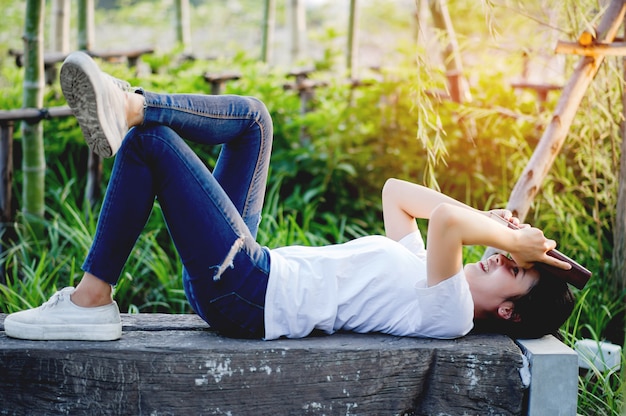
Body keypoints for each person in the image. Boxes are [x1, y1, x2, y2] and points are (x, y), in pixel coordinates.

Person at [3, 51, 574, 342]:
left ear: (509, 308)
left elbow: (449, 220)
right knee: (254, 118)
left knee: (151, 148)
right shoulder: (426, 270)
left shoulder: (451, 312)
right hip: (252, 270)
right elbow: (396, 194)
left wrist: (512, 235)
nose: (507, 257)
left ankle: (90, 302)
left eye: (519, 270)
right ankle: (128, 106)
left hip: (246, 292)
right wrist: (509, 237)